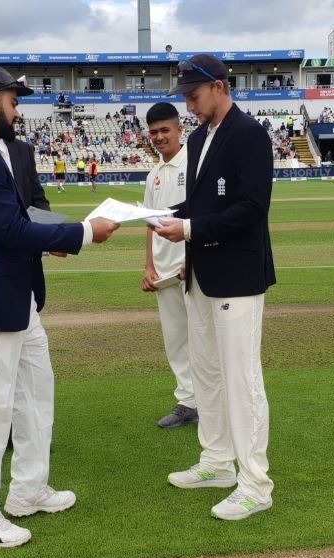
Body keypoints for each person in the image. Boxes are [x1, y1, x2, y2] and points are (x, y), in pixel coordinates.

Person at [0, 64, 119, 548]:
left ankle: (27, 490)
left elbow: (19, 218)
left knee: (35, 396)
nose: (19, 110)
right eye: (14, 100)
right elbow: (11, 230)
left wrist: (53, 238)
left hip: (17, 298)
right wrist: (84, 232)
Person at [156, 54, 276, 521]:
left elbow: (251, 208)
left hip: (238, 277)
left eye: (194, 95)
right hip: (202, 274)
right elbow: (203, 201)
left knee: (242, 380)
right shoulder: (201, 136)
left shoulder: (249, 134)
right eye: (185, 96)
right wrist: (165, 214)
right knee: (206, 373)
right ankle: (217, 461)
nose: (189, 105)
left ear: (221, 87)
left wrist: (185, 229)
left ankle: (255, 483)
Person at [141, 102, 197, 429]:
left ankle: (214, 404)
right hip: (163, 272)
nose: (159, 137)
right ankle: (188, 402)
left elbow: (199, 217)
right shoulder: (153, 175)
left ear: (179, 130)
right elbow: (149, 224)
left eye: (165, 130)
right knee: (175, 339)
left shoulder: (193, 164)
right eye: (154, 132)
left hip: (189, 266)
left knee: (203, 339)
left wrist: (193, 259)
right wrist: (148, 266)